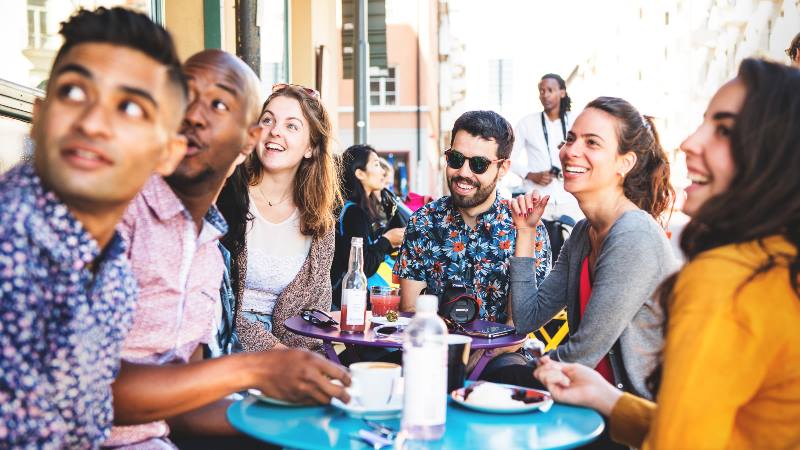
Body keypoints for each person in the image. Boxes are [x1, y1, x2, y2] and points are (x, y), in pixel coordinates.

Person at [534, 58, 800, 449]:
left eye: (724, 130)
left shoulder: (724, 277)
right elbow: (727, 430)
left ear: (775, 156)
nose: (690, 141)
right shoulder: (774, 265)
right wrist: (607, 398)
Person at [105, 51, 350, 448]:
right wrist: (258, 367)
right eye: (184, 98)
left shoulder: (204, 244)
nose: (195, 117)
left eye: (218, 105)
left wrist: (314, 415)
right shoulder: (119, 211)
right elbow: (84, 387)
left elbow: (185, 399)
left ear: (243, 142)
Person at [0, 7, 188, 447]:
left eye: (128, 107)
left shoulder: (110, 264)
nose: (91, 123)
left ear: (168, 153)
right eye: (72, 92)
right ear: (41, 114)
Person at [501, 97, 679, 400]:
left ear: (625, 162)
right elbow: (527, 318)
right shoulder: (585, 232)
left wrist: (508, 373)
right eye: (570, 139)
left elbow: (581, 354)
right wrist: (526, 231)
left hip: (634, 420)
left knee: (491, 377)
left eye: (592, 143)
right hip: (584, 403)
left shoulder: (634, 235)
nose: (571, 151)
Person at [394, 110, 551, 324]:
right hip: (434, 347)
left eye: (479, 164)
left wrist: (484, 356)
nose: (464, 173)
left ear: (503, 168)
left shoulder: (527, 227)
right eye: (456, 159)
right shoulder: (423, 221)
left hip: (502, 352)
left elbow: (522, 324)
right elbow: (411, 309)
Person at [216, 84, 340, 353]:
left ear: (311, 148)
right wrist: (279, 354)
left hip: (290, 355)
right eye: (268, 120)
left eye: (291, 126)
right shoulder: (227, 198)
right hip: (228, 345)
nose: (275, 131)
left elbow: (315, 316)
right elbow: (213, 303)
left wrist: (311, 361)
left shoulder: (320, 223)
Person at [331, 144, 405, 309]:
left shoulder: (350, 209)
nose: (383, 172)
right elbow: (361, 267)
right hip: (350, 305)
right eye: (376, 164)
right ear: (360, 173)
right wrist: (387, 240)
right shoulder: (354, 214)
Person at [510, 73, 582, 222]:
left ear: (562, 92)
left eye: (550, 90)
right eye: (541, 91)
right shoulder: (526, 122)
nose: (545, 95)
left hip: (571, 199)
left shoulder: (576, 121)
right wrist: (531, 175)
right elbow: (509, 157)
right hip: (538, 201)